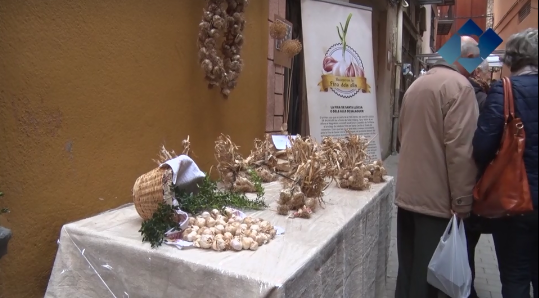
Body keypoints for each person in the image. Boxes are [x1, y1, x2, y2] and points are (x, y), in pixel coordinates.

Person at [394, 35, 479, 298]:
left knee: (407, 270)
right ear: (463, 58)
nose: (476, 67)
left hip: (408, 194)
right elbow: (461, 150)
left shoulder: (417, 84)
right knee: (426, 277)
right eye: (474, 60)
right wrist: (463, 200)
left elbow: (400, 136)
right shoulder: (460, 87)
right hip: (437, 200)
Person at [472, 28, 538, 298]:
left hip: (515, 202)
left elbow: (482, 146)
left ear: (512, 59)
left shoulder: (505, 90)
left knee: (515, 276)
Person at [464, 59, 492, 298]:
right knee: (469, 237)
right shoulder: (483, 98)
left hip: (460, 178)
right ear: (478, 73)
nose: (489, 77)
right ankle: (466, 288)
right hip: (473, 180)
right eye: (488, 72)